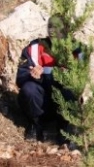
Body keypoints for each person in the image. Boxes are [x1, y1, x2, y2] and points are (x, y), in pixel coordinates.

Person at [16, 15, 79, 143]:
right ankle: (35, 125)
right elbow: (20, 77)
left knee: (71, 90)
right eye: (50, 26)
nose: (53, 31)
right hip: (40, 102)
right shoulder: (34, 48)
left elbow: (82, 81)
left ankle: (64, 128)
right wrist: (32, 75)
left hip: (63, 105)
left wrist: (66, 76)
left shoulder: (75, 50)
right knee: (29, 89)